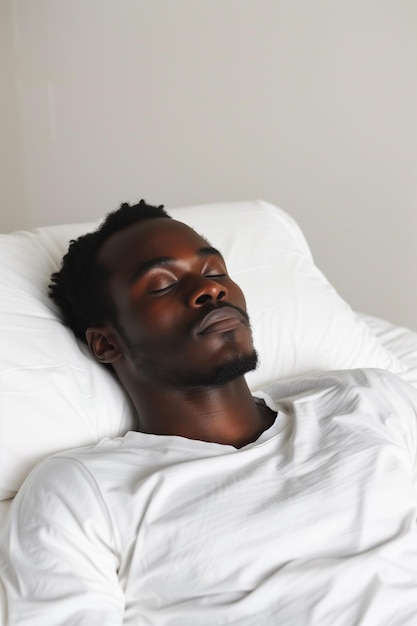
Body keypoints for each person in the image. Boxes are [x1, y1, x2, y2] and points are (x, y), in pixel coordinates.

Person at [1, 200, 417, 626]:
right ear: (106, 344)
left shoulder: (365, 400)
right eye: (162, 284)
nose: (210, 289)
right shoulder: (83, 491)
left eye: (215, 272)